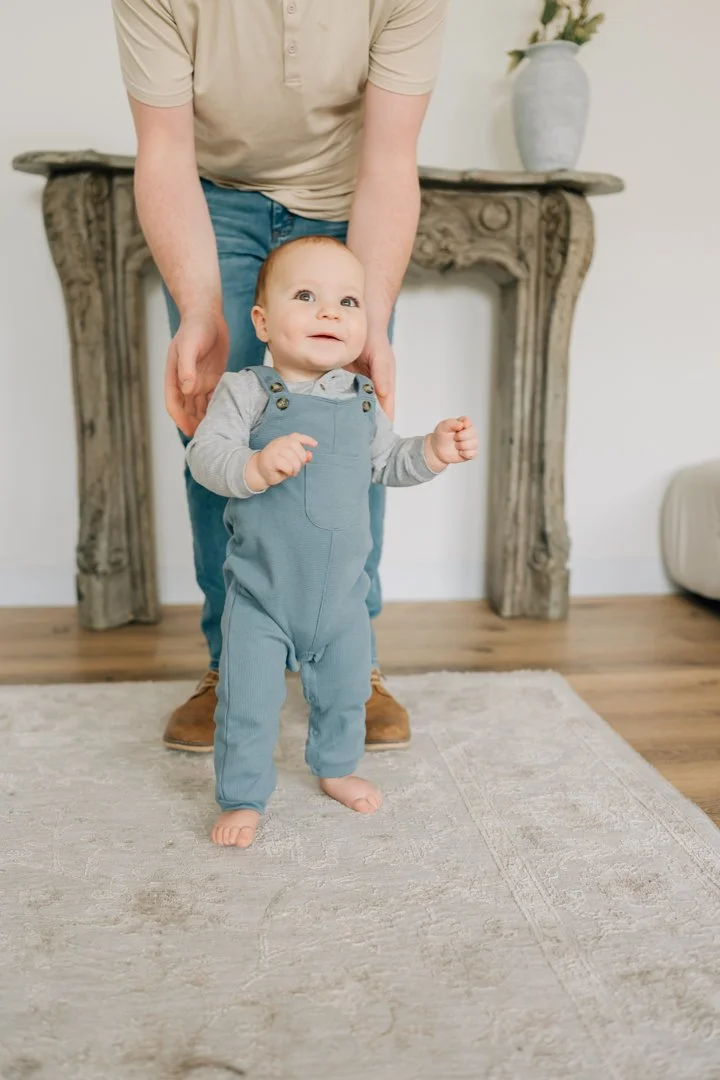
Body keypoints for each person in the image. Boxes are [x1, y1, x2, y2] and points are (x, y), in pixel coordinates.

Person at [111, 0, 450, 753]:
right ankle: (232, 663)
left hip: (344, 200)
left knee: (353, 412)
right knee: (216, 414)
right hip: (216, 201)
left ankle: (350, 662)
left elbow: (390, 159)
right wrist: (200, 308)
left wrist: (377, 320)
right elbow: (163, 150)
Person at [186, 235, 478, 846]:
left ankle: (337, 768)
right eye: (306, 296)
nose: (330, 313)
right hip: (264, 594)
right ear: (261, 322)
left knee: (346, 693)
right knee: (249, 703)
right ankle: (242, 796)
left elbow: (388, 464)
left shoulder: (364, 398)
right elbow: (205, 456)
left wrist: (431, 450)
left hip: (344, 596)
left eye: (348, 301)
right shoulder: (247, 391)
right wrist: (255, 465)